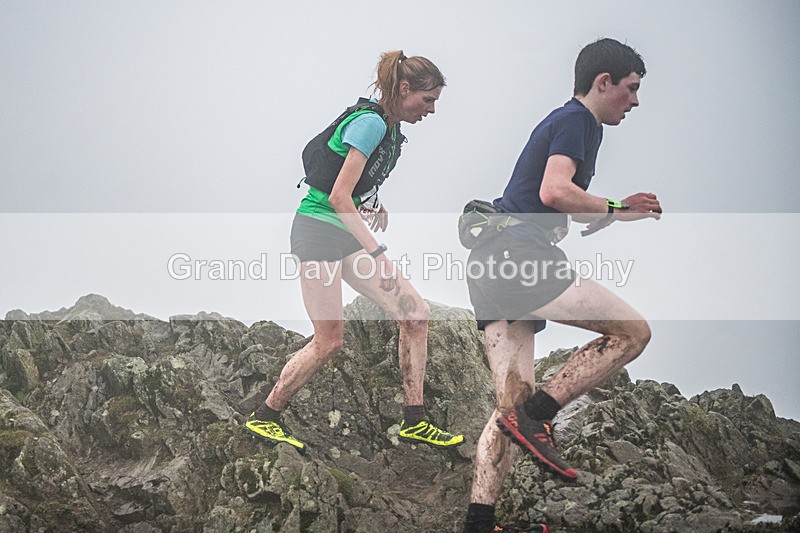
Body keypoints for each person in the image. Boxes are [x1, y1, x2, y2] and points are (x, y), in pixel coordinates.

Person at [461, 38, 662, 533]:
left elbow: (551, 200)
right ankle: (541, 414)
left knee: (507, 409)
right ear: (603, 83)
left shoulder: (567, 122)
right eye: (631, 89)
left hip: (489, 265)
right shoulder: (578, 120)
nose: (635, 101)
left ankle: (478, 523)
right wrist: (616, 207)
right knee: (632, 332)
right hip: (519, 256)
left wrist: (607, 216)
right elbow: (555, 190)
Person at [246, 50, 464, 453]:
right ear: (403, 89)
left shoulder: (391, 129)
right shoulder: (369, 124)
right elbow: (338, 196)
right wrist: (378, 251)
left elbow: (355, 189)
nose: (432, 110)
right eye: (428, 99)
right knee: (329, 340)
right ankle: (266, 415)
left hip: (345, 233)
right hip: (318, 233)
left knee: (415, 314)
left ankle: (415, 419)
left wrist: (374, 201)